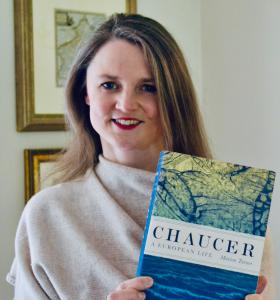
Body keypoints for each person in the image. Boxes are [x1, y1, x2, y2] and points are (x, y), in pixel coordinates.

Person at [7, 13, 274, 300]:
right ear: (85, 93)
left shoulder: (234, 211)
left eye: (148, 88)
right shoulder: (47, 216)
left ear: (173, 98)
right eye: (109, 85)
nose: (125, 104)